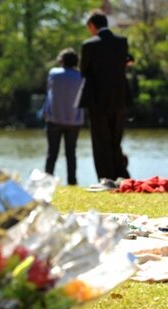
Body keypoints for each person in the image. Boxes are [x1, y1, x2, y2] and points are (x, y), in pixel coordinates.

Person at [79, 9, 131, 181]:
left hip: (97, 100)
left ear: (92, 26)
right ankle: (122, 176)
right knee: (115, 141)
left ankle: (106, 178)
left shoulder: (89, 45)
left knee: (101, 142)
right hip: (120, 98)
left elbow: (84, 72)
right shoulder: (122, 42)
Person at [42, 48, 84, 185]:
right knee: (71, 153)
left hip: (54, 118)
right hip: (74, 119)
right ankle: (72, 181)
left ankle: (47, 181)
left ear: (61, 60)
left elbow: (49, 91)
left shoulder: (54, 73)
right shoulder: (81, 76)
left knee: (52, 153)